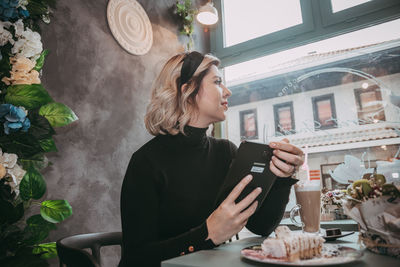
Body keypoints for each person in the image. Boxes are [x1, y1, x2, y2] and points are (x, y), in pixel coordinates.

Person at [119, 51, 304, 267]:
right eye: (217, 82)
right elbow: (136, 258)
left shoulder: (226, 151)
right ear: (187, 90)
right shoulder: (146, 162)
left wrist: (282, 178)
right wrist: (208, 234)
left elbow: (261, 226)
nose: (228, 91)